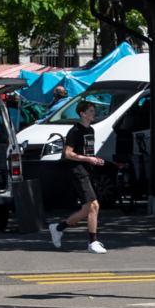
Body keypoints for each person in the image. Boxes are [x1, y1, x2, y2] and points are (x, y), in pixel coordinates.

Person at [51, 99, 106, 252]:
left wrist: (93, 160)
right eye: (91, 111)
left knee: (87, 209)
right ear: (82, 114)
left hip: (88, 169)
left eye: (94, 111)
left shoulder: (91, 130)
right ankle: (92, 242)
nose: (94, 114)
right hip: (77, 170)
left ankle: (58, 228)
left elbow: (86, 152)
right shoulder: (75, 131)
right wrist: (88, 159)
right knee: (94, 205)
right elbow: (68, 153)